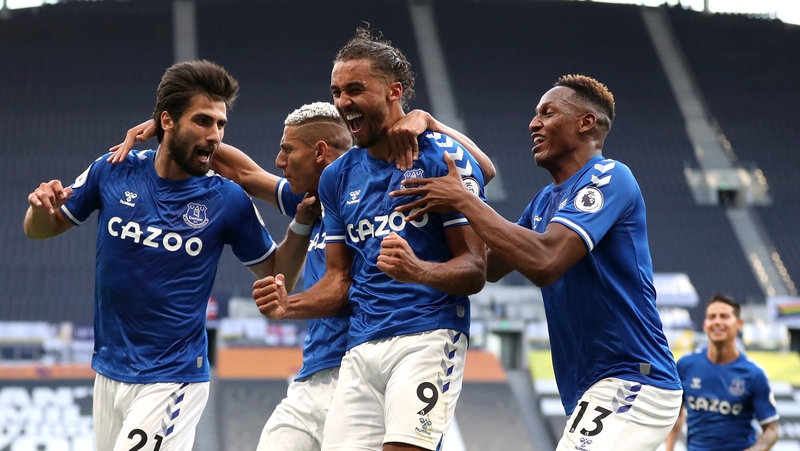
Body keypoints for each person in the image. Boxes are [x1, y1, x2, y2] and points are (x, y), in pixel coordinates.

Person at [109, 101, 495, 451]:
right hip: (312, 374)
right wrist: (171, 131)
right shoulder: (311, 199)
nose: (279, 162)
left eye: (287, 151)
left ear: (320, 152)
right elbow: (240, 172)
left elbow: (484, 170)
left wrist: (430, 122)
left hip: (360, 367)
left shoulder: (378, 193)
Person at [24, 60, 313, 451]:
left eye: (221, 124)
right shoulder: (113, 170)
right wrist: (40, 208)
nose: (214, 136)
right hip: (109, 371)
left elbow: (279, 274)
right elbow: (41, 229)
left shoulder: (227, 200)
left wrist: (301, 224)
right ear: (167, 121)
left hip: (173, 376)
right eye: (203, 121)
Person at [391, 74, 683, 451]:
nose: (534, 123)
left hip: (635, 378)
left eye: (548, 113)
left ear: (585, 122)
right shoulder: (544, 202)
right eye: (535, 114)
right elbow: (489, 268)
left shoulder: (611, 177)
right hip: (589, 388)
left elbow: (546, 261)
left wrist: (464, 199)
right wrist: (435, 128)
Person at [253, 28, 488, 451]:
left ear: (394, 91)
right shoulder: (337, 178)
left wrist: (417, 270)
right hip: (360, 349)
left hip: (428, 334)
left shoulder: (442, 157)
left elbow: (474, 270)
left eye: (355, 89)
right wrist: (290, 305)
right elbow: (339, 280)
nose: (343, 101)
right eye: (337, 92)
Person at [666, 294, 780, 451]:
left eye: (724, 316)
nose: (717, 322)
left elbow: (772, 429)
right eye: (712, 317)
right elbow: (676, 415)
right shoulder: (685, 366)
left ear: (739, 324)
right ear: (705, 324)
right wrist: (669, 448)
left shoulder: (754, 374)